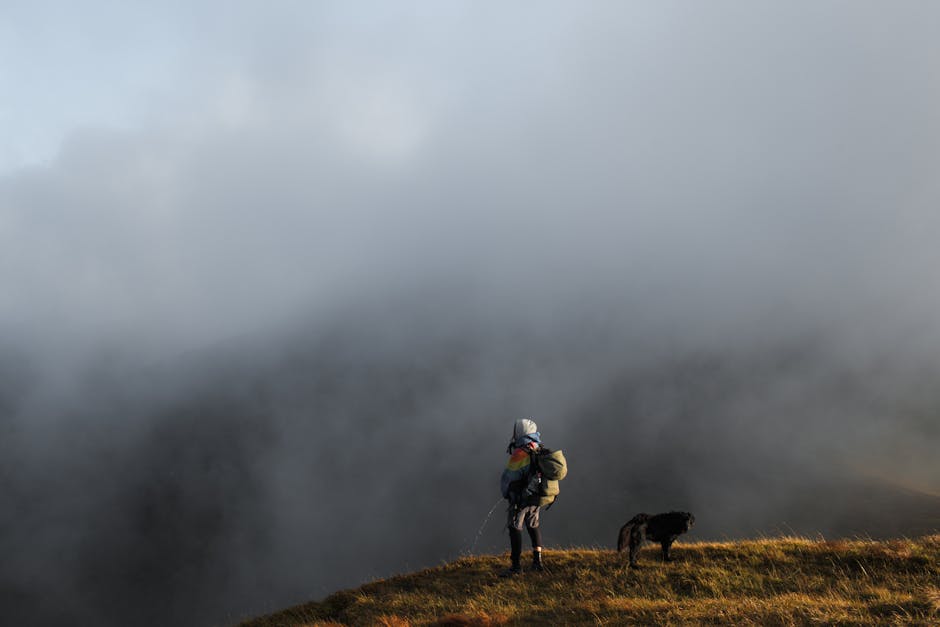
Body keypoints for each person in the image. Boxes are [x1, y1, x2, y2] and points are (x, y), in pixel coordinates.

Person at [499, 418, 544, 576]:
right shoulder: (537, 447)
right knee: (533, 525)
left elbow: (509, 477)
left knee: (515, 526)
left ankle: (516, 567)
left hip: (521, 497)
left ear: (520, 432)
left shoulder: (520, 452)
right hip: (536, 495)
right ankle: (537, 562)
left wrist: (507, 493)